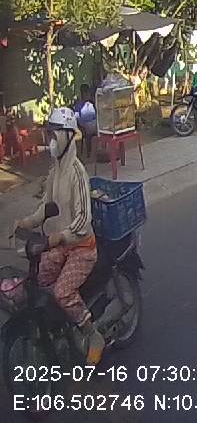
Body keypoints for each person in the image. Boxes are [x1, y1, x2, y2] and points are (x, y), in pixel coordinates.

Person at [11, 108, 105, 363]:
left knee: (62, 292)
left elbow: (83, 220)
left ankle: (93, 334)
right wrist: (26, 222)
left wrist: (60, 237)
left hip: (82, 248)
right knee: (38, 279)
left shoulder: (77, 173)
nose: (50, 139)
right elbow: (46, 207)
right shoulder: (56, 171)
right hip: (61, 246)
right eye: (49, 133)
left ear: (68, 136)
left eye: (54, 134)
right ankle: (61, 323)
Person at [73, 84, 97, 158]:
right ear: (82, 94)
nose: (87, 95)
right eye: (86, 93)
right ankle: (89, 152)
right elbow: (76, 118)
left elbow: (96, 114)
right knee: (88, 131)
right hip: (83, 126)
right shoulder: (79, 105)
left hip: (94, 124)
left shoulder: (92, 103)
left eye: (88, 93)